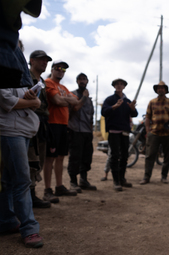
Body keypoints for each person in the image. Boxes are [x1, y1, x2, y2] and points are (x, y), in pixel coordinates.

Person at [0, 65, 44, 247]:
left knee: (10, 179)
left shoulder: (18, 74)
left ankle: (7, 221)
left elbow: (34, 102)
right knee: (22, 179)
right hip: (10, 130)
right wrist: (32, 103)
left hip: (23, 130)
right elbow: (5, 101)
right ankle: (29, 228)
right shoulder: (4, 71)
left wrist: (32, 99)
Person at [43, 60, 86, 201]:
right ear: (52, 69)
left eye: (63, 69)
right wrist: (66, 99)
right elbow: (58, 101)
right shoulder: (48, 82)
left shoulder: (63, 87)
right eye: (58, 68)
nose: (61, 71)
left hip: (63, 125)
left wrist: (65, 99)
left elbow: (77, 102)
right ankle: (47, 190)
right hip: (52, 124)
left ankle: (59, 186)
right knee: (50, 158)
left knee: (60, 157)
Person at [101, 78, 138, 191]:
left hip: (125, 132)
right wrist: (114, 106)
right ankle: (116, 181)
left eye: (121, 84)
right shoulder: (110, 99)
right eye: (117, 84)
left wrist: (132, 108)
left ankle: (122, 178)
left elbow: (134, 114)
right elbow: (104, 112)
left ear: (124, 86)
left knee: (124, 156)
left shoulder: (127, 101)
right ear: (114, 86)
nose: (119, 86)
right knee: (114, 155)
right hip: (113, 132)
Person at [28, 50, 53, 208]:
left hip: (42, 124)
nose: (44, 63)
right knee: (30, 159)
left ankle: (32, 193)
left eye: (46, 60)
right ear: (31, 60)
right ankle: (28, 196)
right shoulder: (25, 77)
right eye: (41, 60)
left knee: (39, 159)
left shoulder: (42, 81)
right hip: (29, 122)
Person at [139, 81, 169, 185]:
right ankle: (146, 177)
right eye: (158, 88)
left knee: (167, 156)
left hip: (167, 133)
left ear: (165, 90)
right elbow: (148, 117)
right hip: (154, 133)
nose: (160, 89)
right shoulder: (152, 102)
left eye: (162, 88)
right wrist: (147, 130)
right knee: (150, 155)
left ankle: (164, 177)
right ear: (156, 90)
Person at [67, 73, 96, 193]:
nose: (82, 81)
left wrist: (91, 131)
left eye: (84, 79)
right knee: (75, 157)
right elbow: (75, 108)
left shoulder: (89, 100)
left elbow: (91, 117)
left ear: (87, 81)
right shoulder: (72, 94)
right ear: (77, 81)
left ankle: (83, 180)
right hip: (75, 131)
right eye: (80, 79)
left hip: (86, 132)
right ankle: (73, 182)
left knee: (86, 157)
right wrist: (83, 97)